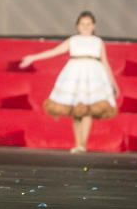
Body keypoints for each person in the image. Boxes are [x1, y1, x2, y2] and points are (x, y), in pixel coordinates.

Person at [19, 10, 119, 153]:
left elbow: (105, 63)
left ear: (93, 26)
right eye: (82, 24)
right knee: (76, 111)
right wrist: (33, 57)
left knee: (88, 110)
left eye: (88, 24)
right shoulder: (73, 40)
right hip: (75, 75)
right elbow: (54, 51)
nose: (85, 27)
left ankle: (83, 144)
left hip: (93, 76)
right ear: (77, 26)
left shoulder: (98, 42)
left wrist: (113, 84)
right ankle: (78, 143)